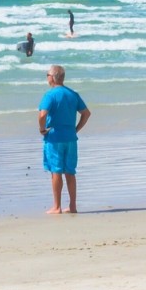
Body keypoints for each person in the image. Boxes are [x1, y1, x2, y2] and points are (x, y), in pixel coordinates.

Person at [38, 65, 90, 215]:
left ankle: (57, 206)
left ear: (53, 77)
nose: (47, 77)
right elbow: (86, 113)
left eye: (47, 75)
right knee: (70, 172)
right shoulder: (72, 94)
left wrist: (42, 129)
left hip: (55, 138)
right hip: (70, 138)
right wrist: (75, 129)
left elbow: (42, 115)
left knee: (56, 171)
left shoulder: (50, 95)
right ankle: (72, 206)